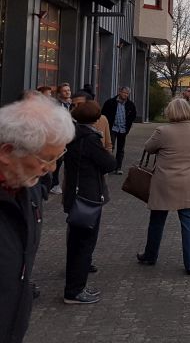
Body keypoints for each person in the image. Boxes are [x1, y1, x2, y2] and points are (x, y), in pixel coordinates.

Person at [0, 95, 75, 341]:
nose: (51, 169)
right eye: (46, 159)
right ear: (7, 152)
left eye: (58, 157)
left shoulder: (26, 187)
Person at [136, 98, 190, 275]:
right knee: (189, 221)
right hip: (188, 181)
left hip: (165, 182)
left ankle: (150, 255)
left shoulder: (163, 131)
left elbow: (148, 148)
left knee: (157, 220)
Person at [62, 101, 116, 305]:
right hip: (88, 197)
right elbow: (109, 163)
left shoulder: (72, 134)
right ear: (96, 118)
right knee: (83, 245)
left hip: (75, 194)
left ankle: (77, 286)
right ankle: (74, 291)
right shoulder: (90, 139)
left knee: (77, 243)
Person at [101, 86, 137, 175]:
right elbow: (103, 114)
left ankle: (118, 168)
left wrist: (128, 125)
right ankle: (107, 167)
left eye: (127, 93)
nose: (125, 95)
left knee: (120, 149)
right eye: (124, 92)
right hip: (112, 128)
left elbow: (133, 115)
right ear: (119, 92)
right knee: (110, 147)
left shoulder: (130, 105)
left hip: (123, 129)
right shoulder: (110, 102)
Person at [49, 83, 73, 195]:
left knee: (66, 161)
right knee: (57, 161)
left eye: (68, 90)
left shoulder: (72, 105)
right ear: (59, 94)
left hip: (69, 137)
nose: (68, 92)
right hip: (59, 137)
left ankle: (60, 183)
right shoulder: (56, 106)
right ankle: (54, 183)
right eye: (65, 91)